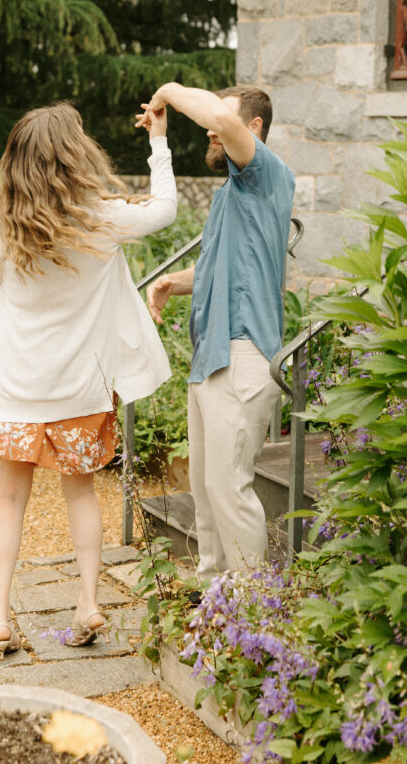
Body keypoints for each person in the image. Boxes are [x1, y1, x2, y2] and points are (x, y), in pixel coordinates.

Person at [0, 102, 176, 655]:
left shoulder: (2, 220)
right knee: (82, 489)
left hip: (14, 385)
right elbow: (165, 209)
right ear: (75, 155)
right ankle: (89, 603)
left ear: (18, 159)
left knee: (9, 496)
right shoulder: (100, 217)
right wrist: (158, 140)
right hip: (78, 386)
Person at [136, 83, 295, 580]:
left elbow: (219, 121)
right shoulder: (229, 194)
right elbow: (221, 267)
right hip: (210, 356)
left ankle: (252, 615)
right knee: (206, 492)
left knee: (229, 488)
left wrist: (167, 91)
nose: (210, 127)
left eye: (222, 120)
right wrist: (173, 283)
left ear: (254, 130)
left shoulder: (267, 176)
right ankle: (214, 606)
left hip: (244, 353)